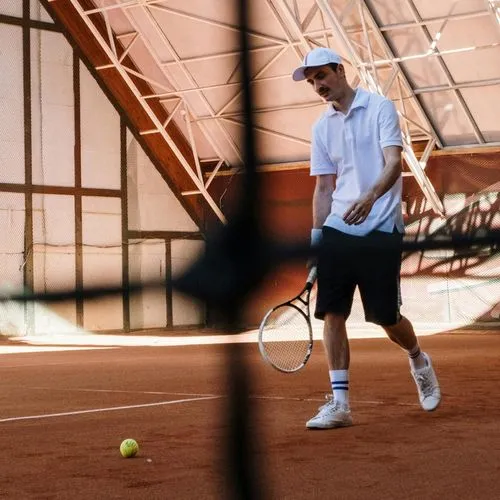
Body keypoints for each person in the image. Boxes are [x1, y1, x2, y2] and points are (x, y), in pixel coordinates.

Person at [292, 47, 441, 429]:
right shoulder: (321, 128)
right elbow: (324, 188)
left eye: (321, 76)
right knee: (332, 311)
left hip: (382, 226)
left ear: (340, 71)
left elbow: (393, 163)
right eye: (311, 81)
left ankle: (418, 358)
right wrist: (317, 239)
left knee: (385, 317)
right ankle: (340, 404)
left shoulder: (380, 108)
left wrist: (371, 196)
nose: (317, 85)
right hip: (338, 227)